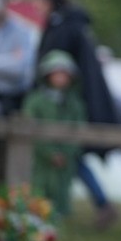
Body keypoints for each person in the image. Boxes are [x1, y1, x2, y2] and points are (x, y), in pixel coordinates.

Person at [34, 0, 120, 229]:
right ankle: (96, 204)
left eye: (40, 0)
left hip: (66, 109)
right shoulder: (70, 26)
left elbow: (56, 66)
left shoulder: (64, 28)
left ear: (50, 2)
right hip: (69, 104)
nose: (36, 5)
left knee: (70, 158)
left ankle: (91, 205)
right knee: (71, 160)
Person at [23, 51, 87, 217]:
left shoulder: (74, 104)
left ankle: (57, 221)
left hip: (64, 162)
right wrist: (49, 153)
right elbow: (29, 128)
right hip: (40, 161)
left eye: (64, 73)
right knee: (37, 195)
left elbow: (79, 131)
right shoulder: (35, 100)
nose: (60, 77)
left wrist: (65, 153)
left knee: (60, 194)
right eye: (56, 73)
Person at [0, 0, 37, 117]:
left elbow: (22, 67)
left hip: (13, 99)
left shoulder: (22, 30)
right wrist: (10, 59)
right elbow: (15, 64)